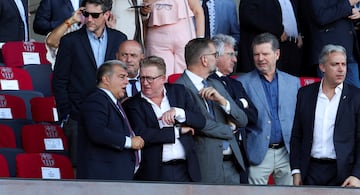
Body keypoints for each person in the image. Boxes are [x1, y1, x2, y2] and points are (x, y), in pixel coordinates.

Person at [52, 0, 127, 167]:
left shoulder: (119, 39)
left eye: (95, 15)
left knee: (110, 168)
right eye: (86, 14)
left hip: (111, 117)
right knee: (79, 169)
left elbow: (123, 75)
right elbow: (59, 80)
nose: (89, 19)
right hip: (78, 117)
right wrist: (66, 115)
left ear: (106, 15)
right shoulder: (70, 41)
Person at [176, 38, 248, 184]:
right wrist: (229, 128)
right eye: (215, 55)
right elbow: (198, 125)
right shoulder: (179, 88)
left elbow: (242, 120)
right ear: (204, 60)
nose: (217, 58)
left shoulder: (216, 84)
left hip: (232, 164)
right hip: (206, 166)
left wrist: (223, 101)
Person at [123, 56, 205, 182]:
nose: (145, 83)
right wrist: (177, 132)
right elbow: (142, 134)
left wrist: (178, 112)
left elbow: (200, 121)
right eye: (142, 78)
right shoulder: (133, 104)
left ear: (163, 78)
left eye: (150, 78)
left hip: (186, 169)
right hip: (155, 171)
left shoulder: (179, 92)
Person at [290, 44, 360, 187]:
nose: (341, 69)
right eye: (335, 64)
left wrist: (356, 175)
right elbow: (297, 135)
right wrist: (296, 170)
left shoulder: (356, 97)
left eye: (344, 64)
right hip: (310, 170)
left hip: (343, 172)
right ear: (322, 67)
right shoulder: (305, 94)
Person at [237, 33, 300, 185]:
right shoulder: (242, 83)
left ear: (277, 54)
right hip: (258, 151)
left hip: (287, 152)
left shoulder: (293, 82)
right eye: (256, 54)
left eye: (265, 54)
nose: (260, 58)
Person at [77, 60, 144, 180]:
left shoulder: (113, 102)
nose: (127, 82)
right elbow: (97, 132)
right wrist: (129, 142)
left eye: (127, 77)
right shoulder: (96, 100)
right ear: (106, 79)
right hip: (102, 179)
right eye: (121, 77)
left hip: (115, 177)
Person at [209, 34, 258, 183]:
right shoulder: (208, 81)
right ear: (216, 56)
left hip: (240, 155)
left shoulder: (236, 84)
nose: (235, 59)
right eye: (230, 55)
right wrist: (241, 103)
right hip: (219, 156)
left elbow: (253, 116)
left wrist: (234, 108)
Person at [238, 0, 303, 76]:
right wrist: (278, 31)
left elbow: (293, 16)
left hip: (293, 47)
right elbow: (248, 16)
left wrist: (299, 33)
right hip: (269, 46)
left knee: (290, 82)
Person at [141, 0, 205, 77]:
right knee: (159, 73)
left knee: (187, 73)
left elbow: (198, 11)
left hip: (184, 34)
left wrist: (200, 40)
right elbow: (144, 9)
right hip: (157, 37)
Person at [305, 0, 360, 87]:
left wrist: (355, 14)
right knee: (331, 96)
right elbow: (321, 16)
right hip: (329, 55)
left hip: (349, 54)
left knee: (355, 97)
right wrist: (349, 3)